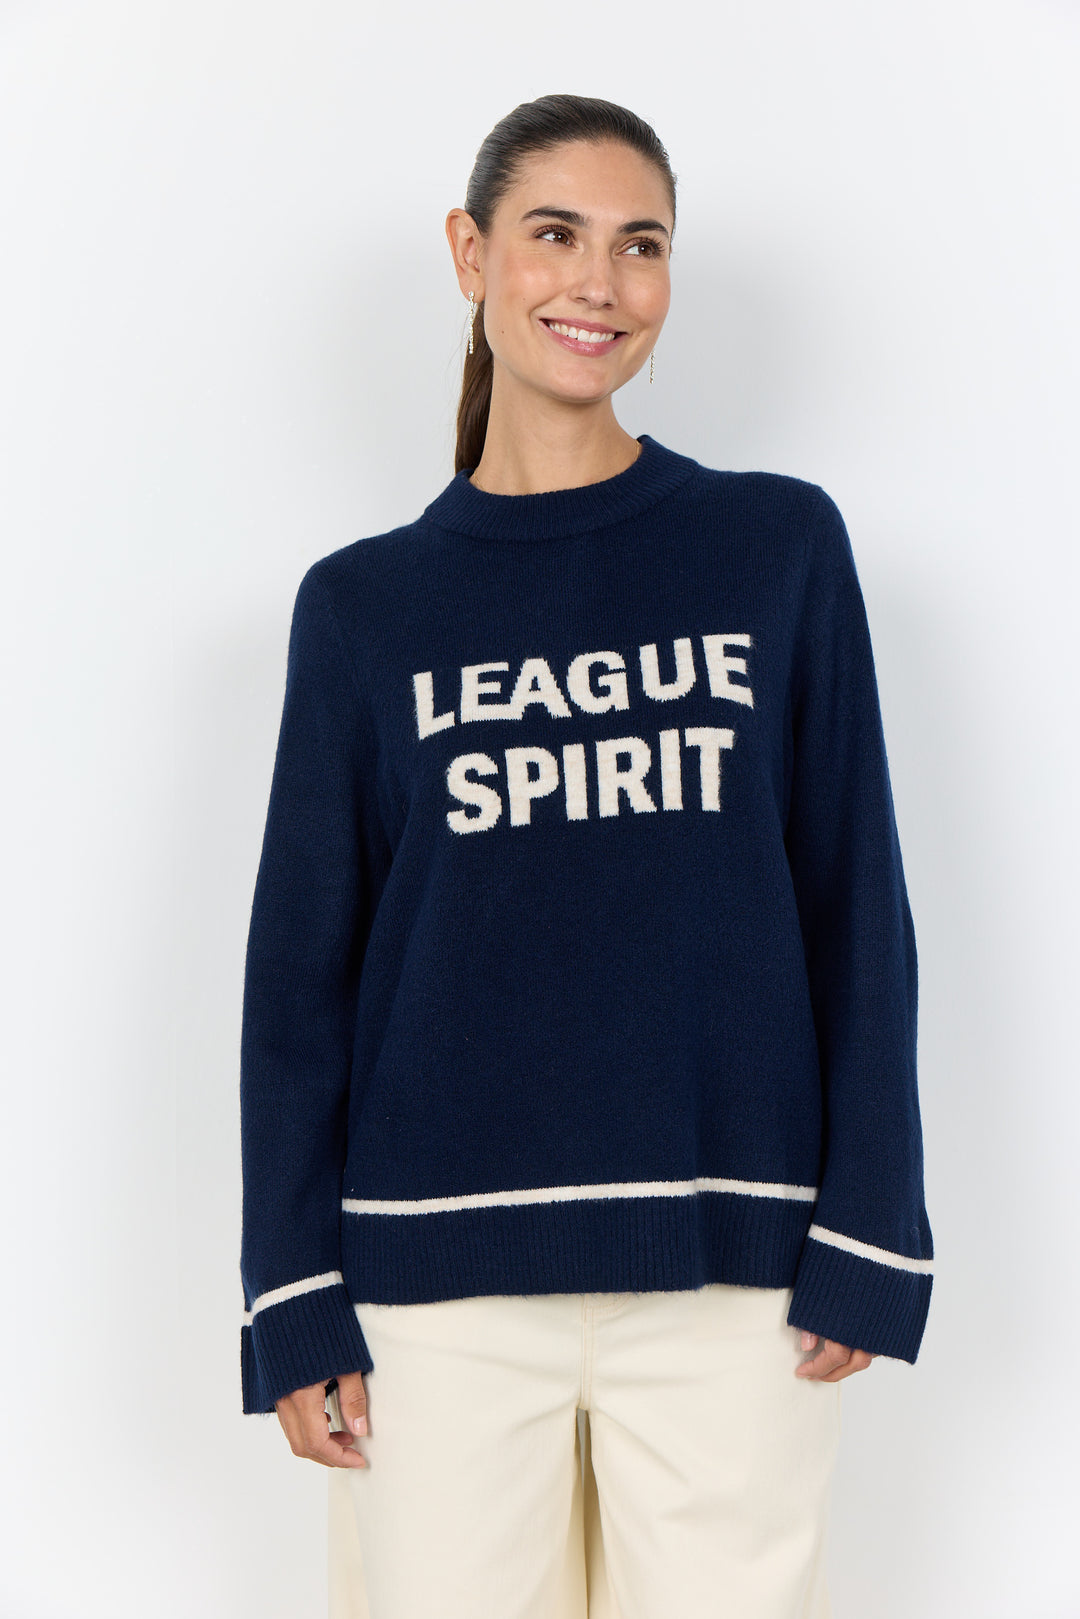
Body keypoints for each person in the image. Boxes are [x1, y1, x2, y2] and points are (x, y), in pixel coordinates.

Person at [239, 93, 934, 1619]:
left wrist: (872, 1229)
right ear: (470, 253)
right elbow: (301, 977)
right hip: (433, 1288)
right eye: (555, 234)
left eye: (642, 245)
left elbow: (854, 908)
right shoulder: (364, 608)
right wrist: (291, 1294)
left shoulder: (775, 548)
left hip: (733, 1273)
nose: (599, 284)